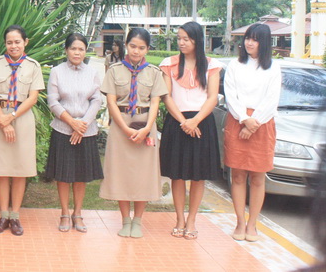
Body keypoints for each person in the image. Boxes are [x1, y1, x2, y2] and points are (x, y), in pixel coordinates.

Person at [99, 27, 167, 239]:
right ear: (126, 45)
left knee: (142, 175)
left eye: (142, 48)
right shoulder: (114, 70)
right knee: (121, 173)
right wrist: (124, 128)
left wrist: (147, 128)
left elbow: (155, 102)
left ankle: (138, 220)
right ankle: (125, 220)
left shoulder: (154, 72)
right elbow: (111, 102)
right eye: (133, 46)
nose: (136, 51)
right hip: (121, 126)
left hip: (145, 124)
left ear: (147, 49)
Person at [159, 22, 222, 240]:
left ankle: (192, 220)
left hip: (201, 122)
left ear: (197, 40)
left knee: (198, 175)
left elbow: (212, 97)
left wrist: (195, 120)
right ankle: (179, 219)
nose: (181, 42)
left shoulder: (212, 66)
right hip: (177, 122)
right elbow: (166, 96)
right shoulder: (169, 64)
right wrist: (183, 121)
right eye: (179, 38)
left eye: (186, 38)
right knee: (177, 175)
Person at [0, 25, 45, 236]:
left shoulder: (33, 66)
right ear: (5, 44)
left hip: (22, 118)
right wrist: (4, 119)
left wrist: (12, 117)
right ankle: (3, 216)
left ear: (25, 42)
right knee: (1, 169)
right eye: (9, 42)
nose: (13, 46)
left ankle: (15, 216)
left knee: (20, 169)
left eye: (17, 42)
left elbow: (33, 98)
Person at [223, 23, 282, 242]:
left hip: (262, 123)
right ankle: (240, 222)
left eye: (255, 39)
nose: (249, 43)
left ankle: (252, 224)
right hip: (238, 120)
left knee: (258, 176)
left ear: (263, 42)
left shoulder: (273, 68)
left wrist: (253, 123)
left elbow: (272, 99)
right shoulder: (235, 65)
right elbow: (230, 94)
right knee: (238, 175)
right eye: (248, 38)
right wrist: (244, 119)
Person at [46, 33, 103, 233]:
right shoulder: (57, 72)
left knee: (81, 175)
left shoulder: (93, 72)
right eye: (73, 48)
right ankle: (64, 213)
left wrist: (83, 124)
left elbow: (96, 100)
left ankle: (77, 213)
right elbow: (52, 101)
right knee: (63, 175)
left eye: (81, 49)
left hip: (86, 130)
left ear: (85, 51)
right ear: (66, 50)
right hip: (62, 129)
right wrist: (71, 122)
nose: (77, 53)